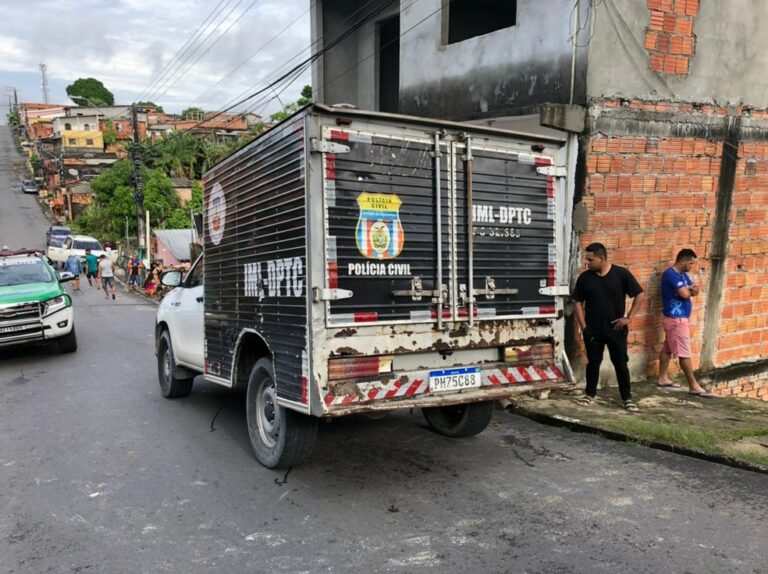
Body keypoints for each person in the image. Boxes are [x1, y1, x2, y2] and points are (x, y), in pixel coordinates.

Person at [573, 243, 646, 412]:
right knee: (593, 362)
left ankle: (627, 398)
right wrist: (584, 326)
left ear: (602, 258)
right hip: (593, 329)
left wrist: (629, 318)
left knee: (620, 363)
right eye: (586, 259)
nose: (587, 263)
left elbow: (640, 294)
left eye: (590, 259)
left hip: (616, 328)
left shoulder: (621, 274)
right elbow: (577, 302)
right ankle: (589, 394)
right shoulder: (585, 278)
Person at [657, 249, 714, 398]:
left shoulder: (683, 275)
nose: (691, 266)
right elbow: (685, 294)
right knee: (684, 353)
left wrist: (689, 290)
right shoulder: (671, 274)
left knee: (667, 348)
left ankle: (662, 378)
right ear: (683, 261)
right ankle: (694, 386)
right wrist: (688, 290)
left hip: (679, 319)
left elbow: (696, 291)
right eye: (690, 263)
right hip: (676, 320)